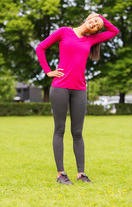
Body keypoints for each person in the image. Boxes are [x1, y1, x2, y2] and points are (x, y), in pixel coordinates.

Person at [36, 13, 119, 185]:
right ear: (88, 18)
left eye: (98, 26)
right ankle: (61, 174)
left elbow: (114, 31)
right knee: (59, 130)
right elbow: (40, 47)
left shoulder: (91, 40)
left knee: (78, 132)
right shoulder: (64, 32)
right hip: (60, 87)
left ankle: (81, 173)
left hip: (80, 89)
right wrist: (48, 70)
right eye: (94, 21)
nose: (95, 25)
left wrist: (101, 17)